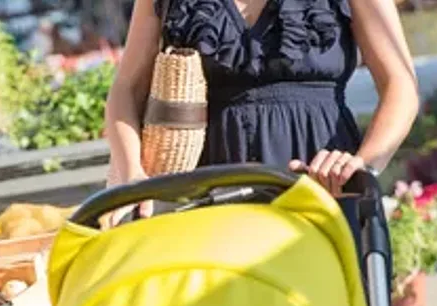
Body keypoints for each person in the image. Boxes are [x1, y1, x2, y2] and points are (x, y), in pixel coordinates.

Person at [104, 0, 419, 226]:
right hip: (207, 196)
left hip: (323, 186)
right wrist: (132, 174)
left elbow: (401, 85)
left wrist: (362, 165)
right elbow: (126, 89)